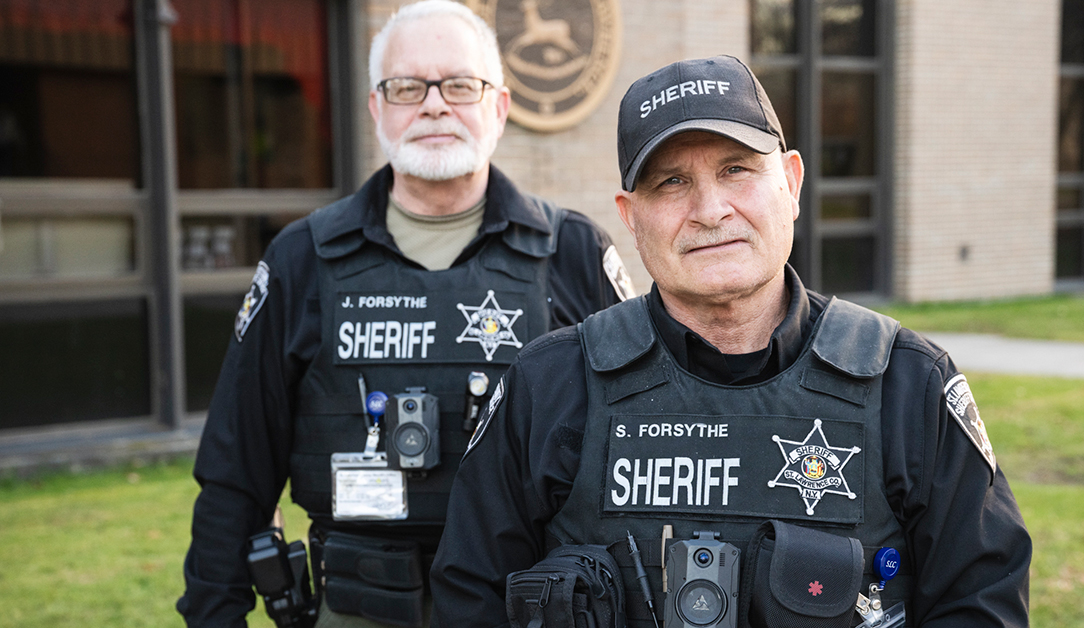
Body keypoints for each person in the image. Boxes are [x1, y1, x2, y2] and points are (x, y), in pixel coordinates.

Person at [430, 55, 1031, 628]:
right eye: (670, 182)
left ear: (791, 183)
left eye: (736, 169)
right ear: (630, 216)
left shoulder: (907, 384)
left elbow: (982, 603)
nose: (710, 210)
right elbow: (471, 600)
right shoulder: (548, 386)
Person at [177, 2, 633, 626]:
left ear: (498, 106)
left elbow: (639, 443)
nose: (435, 104)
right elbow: (235, 472)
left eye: (460, 85)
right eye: (407, 86)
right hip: (356, 605)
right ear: (376, 108)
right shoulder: (301, 261)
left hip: (526, 607)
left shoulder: (575, 252)